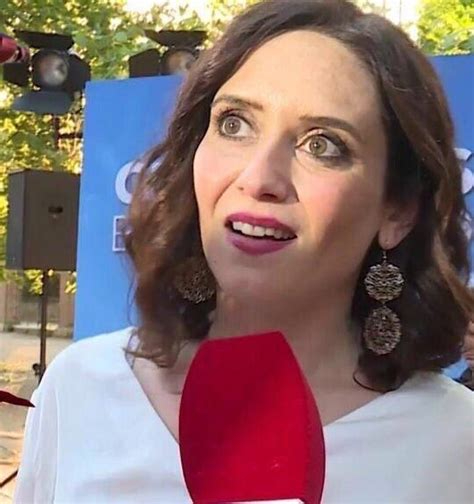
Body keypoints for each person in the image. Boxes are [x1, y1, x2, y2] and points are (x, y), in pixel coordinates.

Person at [14, 0, 474, 502]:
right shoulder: (79, 388)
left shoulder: (455, 444)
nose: (259, 178)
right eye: (234, 123)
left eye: (323, 144)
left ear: (398, 210)